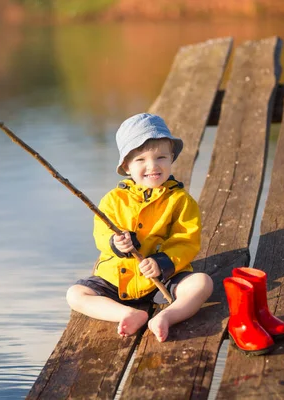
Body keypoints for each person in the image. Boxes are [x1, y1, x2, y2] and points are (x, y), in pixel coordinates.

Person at [66, 113, 213, 342]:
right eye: (140, 160)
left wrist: (163, 263)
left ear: (172, 157)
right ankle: (126, 313)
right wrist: (116, 243)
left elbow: (186, 240)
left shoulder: (180, 200)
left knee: (202, 283)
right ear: (126, 166)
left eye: (161, 157)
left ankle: (167, 316)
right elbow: (101, 234)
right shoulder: (113, 200)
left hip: (162, 278)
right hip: (116, 279)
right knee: (75, 294)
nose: (152, 166)